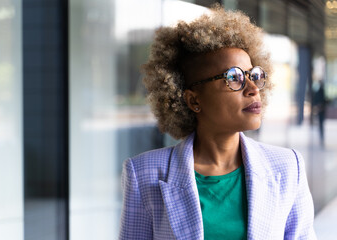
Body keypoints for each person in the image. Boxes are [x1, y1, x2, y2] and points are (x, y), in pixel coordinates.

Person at [119, 5, 316, 240]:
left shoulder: (287, 168)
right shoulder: (144, 174)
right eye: (234, 77)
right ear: (193, 99)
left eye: (254, 75)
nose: (253, 89)